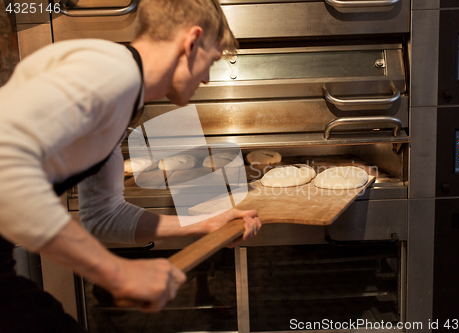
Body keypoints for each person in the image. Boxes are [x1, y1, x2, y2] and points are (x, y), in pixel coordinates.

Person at [0, 0, 262, 331]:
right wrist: (118, 274)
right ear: (191, 42)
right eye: (210, 61)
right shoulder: (111, 72)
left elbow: (102, 217)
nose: (207, 79)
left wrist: (206, 223)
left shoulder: (123, 99)